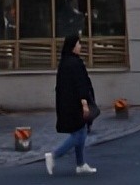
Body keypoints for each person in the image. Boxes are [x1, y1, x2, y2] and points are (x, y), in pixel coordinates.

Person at [45, 35, 97, 176]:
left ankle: (81, 164)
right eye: (78, 44)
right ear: (73, 46)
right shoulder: (74, 63)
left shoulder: (65, 62)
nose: (80, 46)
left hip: (67, 104)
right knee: (78, 135)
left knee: (81, 131)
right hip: (75, 104)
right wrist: (84, 103)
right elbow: (80, 84)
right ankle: (53, 155)